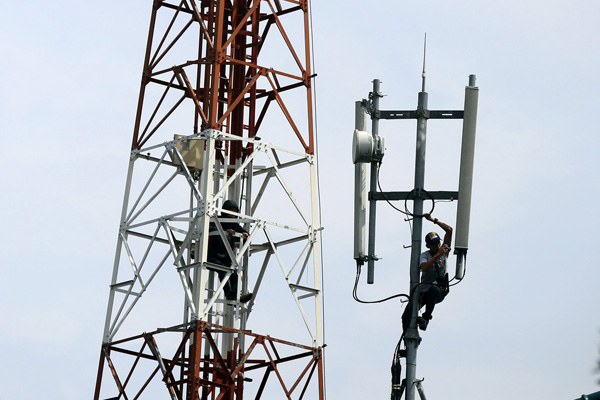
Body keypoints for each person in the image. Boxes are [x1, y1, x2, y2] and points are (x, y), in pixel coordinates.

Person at [402, 213, 453, 331]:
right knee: (407, 315)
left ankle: (426, 319)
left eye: (438, 243)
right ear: (428, 245)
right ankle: (406, 340)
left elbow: (449, 230)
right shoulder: (425, 255)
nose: (437, 245)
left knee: (433, 290)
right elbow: (424, 267)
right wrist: (437, 256)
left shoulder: (443, 251)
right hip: (423, 291)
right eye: (434, 244)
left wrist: (433, 219)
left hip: (438, 291)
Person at [207, 200, 253, 303]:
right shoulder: (216, 220)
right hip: (212, 255)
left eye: (235, 211)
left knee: (233, 272)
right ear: (225, 210)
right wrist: (225, 231)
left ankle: (236, 295)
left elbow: (244, 232)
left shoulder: (234, 225)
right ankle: (228, 293)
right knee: (223, 270)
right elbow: (209, 230)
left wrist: (245, 235)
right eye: (231, 210)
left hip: (226, 256)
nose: (233, 213)